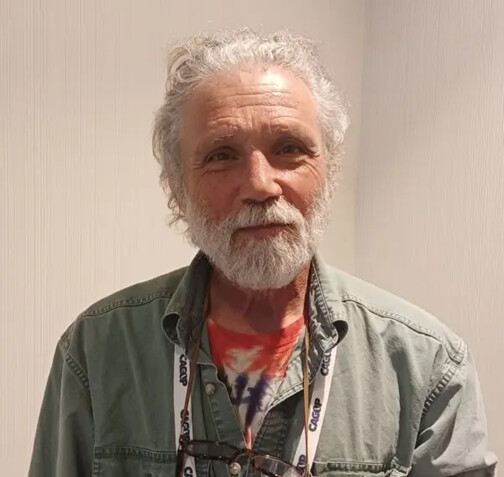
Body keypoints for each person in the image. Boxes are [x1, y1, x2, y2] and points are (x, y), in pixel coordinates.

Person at [29, 28, 497, 477]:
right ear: (177, 187)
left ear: (328, 172)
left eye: (289, 148)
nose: (259, 184)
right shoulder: (97, 351)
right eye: (221, 154)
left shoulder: (427, 366)